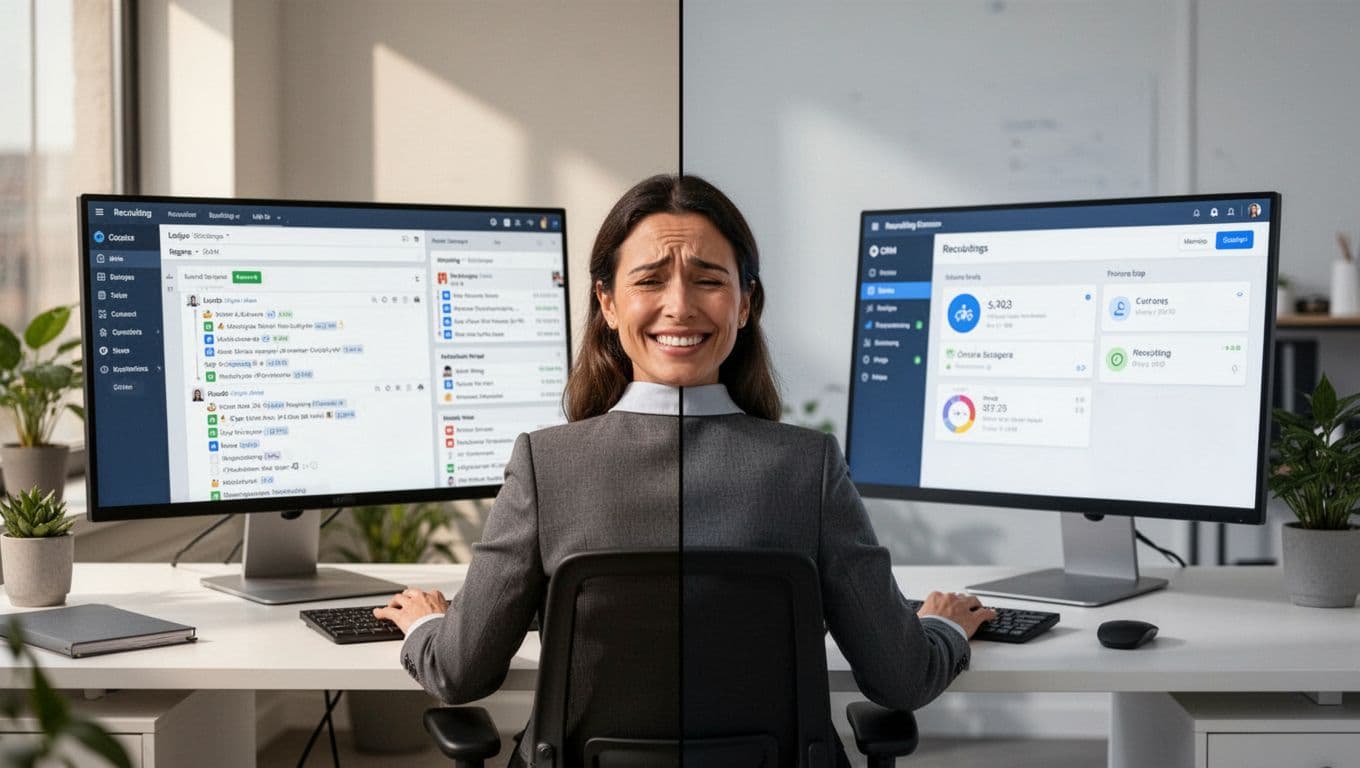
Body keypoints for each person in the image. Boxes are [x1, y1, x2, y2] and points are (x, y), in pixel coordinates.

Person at [378, 175, 996, 766]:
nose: (678, 306)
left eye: (707, 280)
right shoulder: (809, 465)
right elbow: (901, 676)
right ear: (607, 302)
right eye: (650, 280)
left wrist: (427, 623)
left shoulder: (545, 463)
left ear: (746, 303)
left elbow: (457, 671)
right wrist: (942, 627)